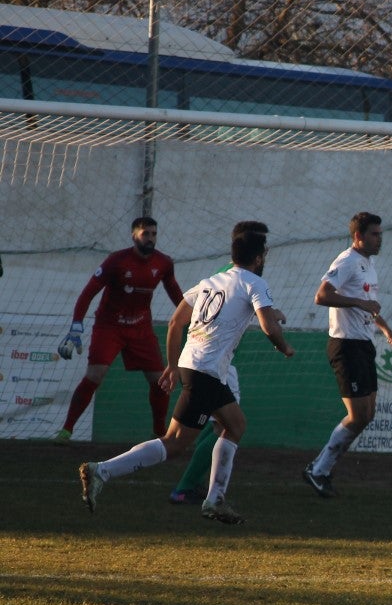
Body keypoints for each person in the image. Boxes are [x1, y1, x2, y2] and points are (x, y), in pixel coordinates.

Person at [77, 227, 293, 524]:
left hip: (197, 366)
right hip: (206, 371)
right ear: (258, 257)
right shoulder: (255, 282)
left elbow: (176, 322)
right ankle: (102, 470)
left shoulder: (210, 282)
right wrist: (285, 347)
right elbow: (268, 326)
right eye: (264, 253)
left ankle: (215, 500)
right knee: (174, 442)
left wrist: (173, 364)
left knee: (235, 424)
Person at [167, 222, 280, 505]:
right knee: (221, 428)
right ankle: (189, 488)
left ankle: (199, 489)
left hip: (211, 363)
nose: (264, 255)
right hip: (217, 367)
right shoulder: (241, 278)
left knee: (220, 426)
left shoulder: (224, 276)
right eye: (262, 248)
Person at [54, 217, 184, 443]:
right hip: (109, 327)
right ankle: (66, 429)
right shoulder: (116, 261)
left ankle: (158, 432)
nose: (151, 238)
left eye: (154, 234)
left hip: (141, 328)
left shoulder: (163, 263)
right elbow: (88, 292)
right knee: (95, 375)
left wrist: (191, 316)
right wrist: (77, 325)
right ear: (134, 236)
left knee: (159, 381)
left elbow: (174, 292)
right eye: (146, 234)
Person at [302, 212, 392, 498]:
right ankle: (318, 470)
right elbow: (321, 296)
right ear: (358, 236)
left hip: (364, 344)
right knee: (357, 415)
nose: (379, 238)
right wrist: (356, 301)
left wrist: (386, 329)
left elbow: (369, 306)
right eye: (374, 234)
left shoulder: (369, 265)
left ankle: (320, 469)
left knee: (367, 414)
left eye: (380, 233)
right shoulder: (346, 261)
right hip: (345, 345)